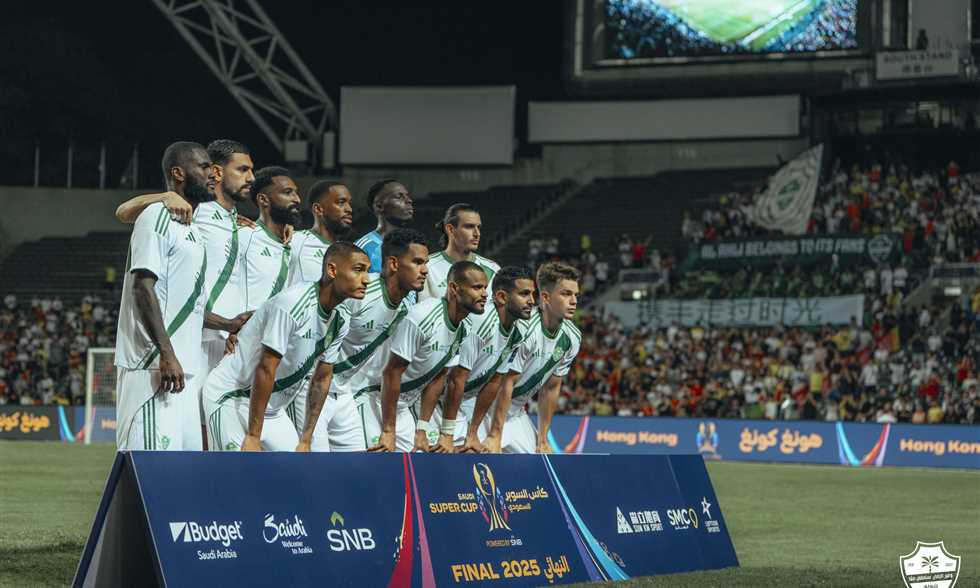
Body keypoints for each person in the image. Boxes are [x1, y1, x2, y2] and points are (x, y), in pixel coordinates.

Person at [116, 139, 257, 448]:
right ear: (178, 173)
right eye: (204, 167)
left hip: (184, 368)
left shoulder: (191, 226)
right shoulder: (158, 214)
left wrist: (228, 324)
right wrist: (166, 354)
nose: (212, 174)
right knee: (152, 464)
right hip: (154, 365)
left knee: (183, 466)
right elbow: (142, 287)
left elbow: (189, 303)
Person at [203, 242, 369, 451]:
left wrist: (306, 439)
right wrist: (253, 436)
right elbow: (266, 368)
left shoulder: (341, 318)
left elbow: (321, 379)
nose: (366, 279)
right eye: (358, 270)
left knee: (297, 469)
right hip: (232, 396)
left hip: (272, 410)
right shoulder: (292, 303)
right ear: (332, 270)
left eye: (367, 271)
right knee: (240, 469)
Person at [310, 229, 429, 451]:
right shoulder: (360, 293)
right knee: (315, 463)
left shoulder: (405, 308)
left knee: (358, 465)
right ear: (393, 264)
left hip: (344, 391)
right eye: (417, 262)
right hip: (312, 385)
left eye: (426, 263)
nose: (425, 270)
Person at [367, 261, 487, 452]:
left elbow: (438, 377)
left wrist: (422, 428)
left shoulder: (465, 326)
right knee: (376, 459)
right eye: (477, 287)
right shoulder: (423, 316)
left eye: (485, 287)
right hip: (377, 397)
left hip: (405, 404)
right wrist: (388, 430)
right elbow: (391, 373)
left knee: (414, 462)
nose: (485, 294)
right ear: (454, 288)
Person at [425, 265, 535, 453]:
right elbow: (455, 380)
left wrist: (473, 433)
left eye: (532, 294)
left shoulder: (519, 331)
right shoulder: (481, 322)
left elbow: (494, 382)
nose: (532, 301)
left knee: (473, 452)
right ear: (502, 297)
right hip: (434, 402)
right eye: (524, 294)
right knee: (440, 457)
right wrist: (447, 434)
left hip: (460, 403)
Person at [485, 262, 581, 454]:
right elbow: (506, 383)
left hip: (516, 411)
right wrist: (495, 435)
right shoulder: (524, 328)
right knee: (479, 459)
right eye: (566, 294)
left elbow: (551, 388)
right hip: (487, 407)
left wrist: (543, 439)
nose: (573, 301)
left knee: (539, 463)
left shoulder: (572, 337)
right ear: (545, 297)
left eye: (576, 295)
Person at [239, 166, 301, 311]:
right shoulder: (244, 236)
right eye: (288, 192)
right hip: (247, 324)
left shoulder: (298, 242)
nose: (297, 199)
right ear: (263, 199)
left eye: (296, 193)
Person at [419, 203, 500, 303]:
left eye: (478, 227)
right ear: (450, 229)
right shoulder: (427, 266)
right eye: (469, 227)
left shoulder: (492, 269)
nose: (477, 234)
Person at [287, 180, 354, 287]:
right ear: (318, 209)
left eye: (349, 203)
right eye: (341, 202)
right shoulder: (295, 240)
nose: (349, 209)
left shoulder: (348, 252)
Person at [354, 179, 414, 273]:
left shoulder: (413, 246)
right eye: (399, 197)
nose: (409, 200)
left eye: (407, 196)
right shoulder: (363, 248)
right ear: (379, 206)